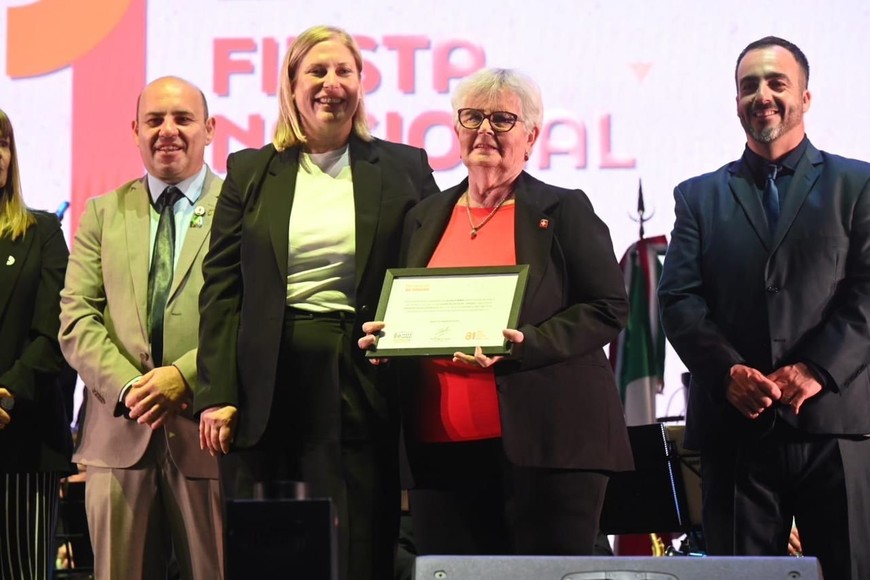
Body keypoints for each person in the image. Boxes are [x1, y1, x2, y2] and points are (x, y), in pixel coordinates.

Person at [194, 25, 439, 580]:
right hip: (264, 389)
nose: (331, 84)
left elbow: (427, 271)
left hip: (362, 378)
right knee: (270, 552)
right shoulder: (251, 171)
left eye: (343, 72)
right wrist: (216, 394)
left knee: (357, 549)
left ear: (360, 83)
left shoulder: (405, 168)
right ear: (291, 85)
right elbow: (222, 289)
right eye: (317, 72)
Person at [359, 68, 633, 556]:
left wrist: (528, 344)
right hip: (439, 448)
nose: (485, 130)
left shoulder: (563, 210)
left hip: (549, 447)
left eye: (503, 119)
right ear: (456, 128)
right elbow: (407, 304)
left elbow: (609, 307)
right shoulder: (423, 216)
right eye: (473, 117)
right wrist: (389, 339)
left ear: (531, 137)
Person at [658, 36, 870, 580]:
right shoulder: (697, 196)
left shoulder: (859, 183)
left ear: (805, 95)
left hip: (835, 427)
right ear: (735, 101)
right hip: (737, 430)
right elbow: (679, 299)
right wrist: (728, 373)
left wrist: (815, 369)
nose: (762, 95)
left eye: (777, 82)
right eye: (748, 85)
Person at [58, 76, 224, 580]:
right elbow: (76, 316)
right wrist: (132, 387)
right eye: (154, 120)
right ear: (134, 130)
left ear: (210, 129)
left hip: (207, 434)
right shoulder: (103, 212)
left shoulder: (240, 207)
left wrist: (184, 376)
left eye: (182, 119)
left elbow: (246, 314)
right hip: (118, 436)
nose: (167, 131)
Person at [0, 109, 74, 580]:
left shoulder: (42, 231)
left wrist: (6, 392)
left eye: (2, 143)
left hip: (21, 440)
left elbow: (55, 332)